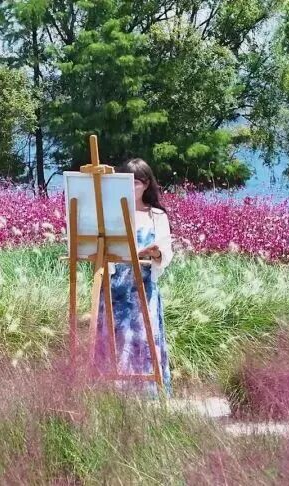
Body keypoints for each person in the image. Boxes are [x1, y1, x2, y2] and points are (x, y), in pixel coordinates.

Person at [92, 158, 174, 397]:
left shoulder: (157, 215)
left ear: (146, 184)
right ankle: (112, 394)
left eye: (135, 183)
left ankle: (146, 394)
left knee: (143, 339)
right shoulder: (111, 213)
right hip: (115, 287)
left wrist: (155, 252)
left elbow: (166, 250)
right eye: (125, 182)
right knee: (115, 338)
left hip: (143, 288)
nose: (130, 188)